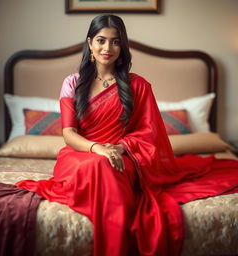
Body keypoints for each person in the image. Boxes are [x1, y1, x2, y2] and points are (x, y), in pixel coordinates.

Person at [16, 14, 238, 256]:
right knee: (100, 164)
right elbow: (69, 133)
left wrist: (119, 148)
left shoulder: (138, 86)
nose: (107, 48)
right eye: (101, 40)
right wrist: (97, 148)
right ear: (90, 42)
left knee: (107, 165)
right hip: (79, 153)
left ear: (122, 47)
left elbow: (148, 133)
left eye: (115, 42)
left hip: (124, 156)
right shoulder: (73, 83)